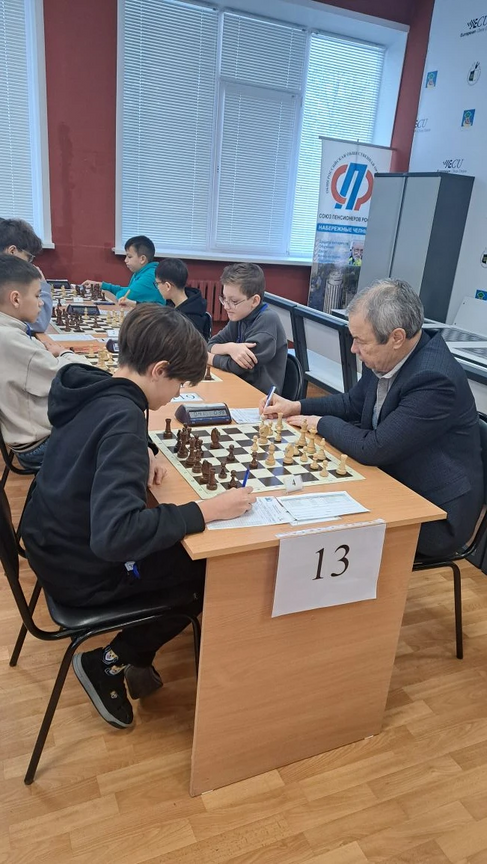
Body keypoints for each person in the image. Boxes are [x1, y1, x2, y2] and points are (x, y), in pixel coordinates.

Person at [21, 305, 256, 729]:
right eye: (178, 384)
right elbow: (116, 536)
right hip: (78, 572)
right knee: (205, 573)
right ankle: (108, 661)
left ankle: (137, 659)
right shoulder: (124, 420)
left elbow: (95, 444)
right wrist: (207, 509)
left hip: (46, 539)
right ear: (159, 369)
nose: (177, 395)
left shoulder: (92, 388)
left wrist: (143, 451)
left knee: (176, 548)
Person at [260, 279, 483, 558]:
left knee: (317, 521)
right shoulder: (385, 356)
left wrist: (319, 423)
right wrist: (297, 406)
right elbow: (352, 403)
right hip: (390, 478)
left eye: (360, 341)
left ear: (397, 337)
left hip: (433, 510)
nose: (353, 349)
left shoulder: (434, 379)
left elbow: (374, 447)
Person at [0, 254, 89, 470]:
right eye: (37, 295)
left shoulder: (9, 332)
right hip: (38, 446)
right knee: (114, 427)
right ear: (16, 299)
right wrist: (65, 353)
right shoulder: (9, 339)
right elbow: (73, 376)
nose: (41, 302)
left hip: (24, 435)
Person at [207, 263, 287, 394]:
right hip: (238, 386)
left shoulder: (267, 321)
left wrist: (207, 358)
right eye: (224, 299)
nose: (226, 306)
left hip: (258, 396)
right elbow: (211, 344)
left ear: (254, 301)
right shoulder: (240, 316)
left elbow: (238, 367)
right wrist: (229, 348)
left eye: (234, 301)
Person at [0, 217, 53, 332]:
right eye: (29, 258)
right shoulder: (5, 280)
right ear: (12, 251)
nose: (30, 264)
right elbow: (38, 323)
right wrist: (42, 286)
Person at [82, 235, 165, 306]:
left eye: (129, 256)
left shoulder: (150, 276)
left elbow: (123, 296)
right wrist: (102, 285)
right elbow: (127, 291)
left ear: (142, 259)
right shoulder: (140, 272)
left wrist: (114, 292)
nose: (125, 260)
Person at [154, 258, 208, 337]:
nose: (157, 287)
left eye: (157, 283)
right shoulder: (172, 304)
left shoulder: (190, 320)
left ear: (168, 286)